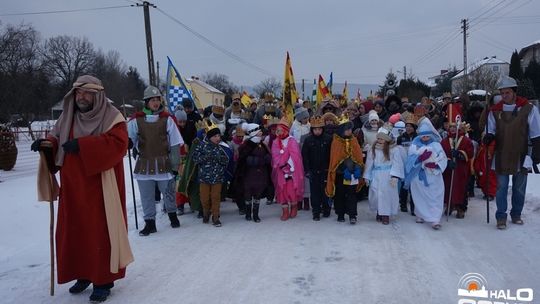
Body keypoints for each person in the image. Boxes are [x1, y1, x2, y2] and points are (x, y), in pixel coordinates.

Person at [32, 75, 133, 302]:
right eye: (78, 93)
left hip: (101, 188)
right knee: (76, 232)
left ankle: (103, 280)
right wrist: (46, 145)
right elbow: (56, 138)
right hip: (73, 188)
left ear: (97, 95)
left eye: (86, 93)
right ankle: (84, 274)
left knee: (99, 232)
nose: (81, 97)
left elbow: (119, 145)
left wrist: (84, 145)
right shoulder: (68, 116)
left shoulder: (112, 117)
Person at [484, 76, 540, 229]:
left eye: (507, 92)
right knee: (501, 186)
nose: (504, 96)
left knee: (519, 187)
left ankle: (516, 214)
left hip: (522, 152)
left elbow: (536, 132)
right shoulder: (495, 111)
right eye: (502, 93)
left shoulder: (528, 108)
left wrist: (536, 151)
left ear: (514, 91)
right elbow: (490, 129)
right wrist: (488, 137)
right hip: (501, 152)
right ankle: (501, 216)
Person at [128, 85, 183, 236]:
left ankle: (172, 216)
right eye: (152, 100)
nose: (155, 103)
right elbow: (129, 138)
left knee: (168, 193)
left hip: (164, 163)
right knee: (146, 196)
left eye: (157, 99)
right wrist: (128, 142)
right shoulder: (136, 120)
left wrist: (175, 164)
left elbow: (174, 143)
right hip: (144, 163)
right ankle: (150, 223)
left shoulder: (167, 120)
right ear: (146, 102)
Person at [404, 118, 447, 230]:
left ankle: (435, 218)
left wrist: (436, 165)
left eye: (427, 136)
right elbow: (410, 161)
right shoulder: (415, 145)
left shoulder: (436, 145)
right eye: (423, 136)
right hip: (419, 175)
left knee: (434, 196)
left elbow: (443, 158)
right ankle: (421, 214)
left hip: (433, 175)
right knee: (420, 195)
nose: (425, 138)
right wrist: (419, 159)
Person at [326, 115, 364, 224]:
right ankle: (340, 214)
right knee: (340, 194)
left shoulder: (354, 140)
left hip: (352, 175)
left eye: (350, 129)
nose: (349, 131)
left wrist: (357, 168)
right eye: (347, 129)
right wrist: (343, 169)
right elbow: (335, 159)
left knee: (352, 195)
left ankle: (352, 215)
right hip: (340, 174)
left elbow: (358, 156)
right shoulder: (336, 141)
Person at [363, 125, 404, 225]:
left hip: (388, 175)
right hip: (376, 174)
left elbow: (397, 163)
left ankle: (385, 214)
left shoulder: (394, 149)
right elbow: (369, 163)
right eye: (378, 138)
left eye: (382, 138)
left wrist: (395, 176)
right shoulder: (373, 149)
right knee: (376, 194)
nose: (380, 140)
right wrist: (367, 176)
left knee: (386, 195)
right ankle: (379, 211)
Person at [192, 120, 230, 227]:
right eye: (215, 136)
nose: (218, 138)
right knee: (204, 198)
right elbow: (195, 159)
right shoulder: (201, 146)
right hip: (204, 178)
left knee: (215, 197)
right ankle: (206, 212)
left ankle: (216, 216)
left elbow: (226, 161)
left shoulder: (221, 148)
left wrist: (218, 158)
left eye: (219, 136)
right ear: (209, 137)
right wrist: (206, 157)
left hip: (217, 178)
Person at [441, 104, 474, 219]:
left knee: (461, 187)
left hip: (461, 169)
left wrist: (460, 154)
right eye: (451, 127)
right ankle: (449, 204)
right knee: (448, 185)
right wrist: (448, 160)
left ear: (459, 127)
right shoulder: (444, 141)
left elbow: (470, 152)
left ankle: (461, 208)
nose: (453, 129)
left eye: (455, 127)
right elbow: (441, 153)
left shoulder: (466, 140)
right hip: (449, 168)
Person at [234, 123, 272, 222]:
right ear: (254, 132)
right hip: (248, 174)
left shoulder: (262, 144)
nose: (261, 132)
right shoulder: (246, 144)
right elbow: (243, 159)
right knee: (248, 193)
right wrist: (257, 161)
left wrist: (267, 159)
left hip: (260, 174)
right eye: (259, 130)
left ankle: (255, 214)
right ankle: (248, 213)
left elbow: (269, 155)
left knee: (258, 193)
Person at [271, 116, 305, 221]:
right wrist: (281, 164)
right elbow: (275, 154)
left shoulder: (292, 141)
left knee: (291, 190)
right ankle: (285, 210)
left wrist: (288, 165)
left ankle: (294, 206)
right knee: (282, 190)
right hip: (280, 171)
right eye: (278, 131)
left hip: (291, 171)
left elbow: (295, 156)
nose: (279, 133)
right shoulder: (276, 142)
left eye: (281, 130)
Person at [302, 115, 332, 220]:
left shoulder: (328, 139)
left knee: (325, 191)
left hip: (325, 170)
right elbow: (305, 156)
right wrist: (307, 170)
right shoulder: (308, 140)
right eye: (315, 129)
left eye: (319, 129)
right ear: (312, 129)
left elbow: (331, 155)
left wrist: (330, 169)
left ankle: (326, 208)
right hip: (313, 171)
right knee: (314, 192)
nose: (318, 131)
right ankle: (316, 211)